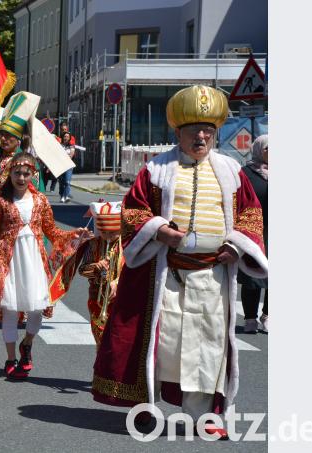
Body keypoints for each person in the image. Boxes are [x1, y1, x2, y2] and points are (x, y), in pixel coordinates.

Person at [91, 85, 267, 439]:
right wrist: (158, 231)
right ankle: (147, 407)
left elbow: (251, 214)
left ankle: (204, 416)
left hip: (214, 274)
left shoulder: (232, 170)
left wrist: (238, 247)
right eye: (193, 131)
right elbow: (133, 211)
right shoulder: (157, 169)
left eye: (208, 131)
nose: (201, 137)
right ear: (178, 133)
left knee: (209, 345)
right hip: (167, 274)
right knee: (162, 343)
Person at [0, 153, 89, 379]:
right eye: (17, 173)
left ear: (33, 175)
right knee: (10, 308)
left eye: (25, 173)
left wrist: (74, 234)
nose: (21, 177)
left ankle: (26, 344)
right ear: (10, 174)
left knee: (37, 307)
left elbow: (52, 231)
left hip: (34, 260)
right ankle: (10, 358)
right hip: (7, 261)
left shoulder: (40, 201)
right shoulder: (0, 203)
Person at [76, 201, 124, 346]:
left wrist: (117, 282)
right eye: (104, 232)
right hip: (97, 300)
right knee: (102, 342)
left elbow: (134, 270)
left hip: (122, 301)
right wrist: (96, 267)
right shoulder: (94, 244)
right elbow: (82, 270)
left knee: (118, 341)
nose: (108, 236)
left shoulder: (127, 245)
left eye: (113, 232)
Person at [240, 134, 268, 333]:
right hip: (254, 230)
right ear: (259, 150)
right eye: (268, 149)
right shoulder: (246, 173)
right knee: (252, 277)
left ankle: (268, 315)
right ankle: (250, 318)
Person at [58, 131, 85, 203]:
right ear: (62, 137)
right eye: (65, 136)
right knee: (61, 182)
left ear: (69, 138)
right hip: (61, 166)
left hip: (69, 166)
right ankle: (62, 194)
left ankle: (65, 196)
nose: (66, 138)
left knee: (67, 182)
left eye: (67, 137)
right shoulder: (59, 145)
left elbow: (71, 154)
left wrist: (66, 158)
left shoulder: (71, 146)